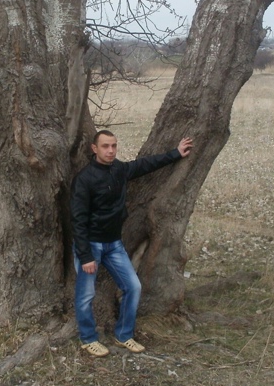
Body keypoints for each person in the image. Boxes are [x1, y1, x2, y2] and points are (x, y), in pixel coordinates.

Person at [70, 130, 194, 357]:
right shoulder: (84, 179)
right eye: (105, 146)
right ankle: (88, 339)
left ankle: (124, 335)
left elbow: (145, 165)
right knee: (86, 295)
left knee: (133, 287)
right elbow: (77, 221)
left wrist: (175, 153)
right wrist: (85, 255)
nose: (110, 151)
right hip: (91, 245)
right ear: (94, 149)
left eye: (114, 146)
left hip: (113, 244)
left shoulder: (119, 169)